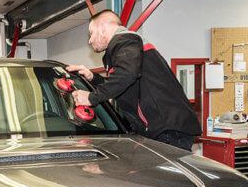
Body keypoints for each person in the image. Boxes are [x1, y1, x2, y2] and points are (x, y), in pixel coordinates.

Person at [68, 10, 201, 151]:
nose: (90, 40)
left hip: (167, 128)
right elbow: (122, 83)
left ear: (103, 27)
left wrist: (91, 98)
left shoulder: (126, 40)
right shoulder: (123, 47)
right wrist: (92, 77)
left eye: (91, 33)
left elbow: (127, 74)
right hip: (161, 128)